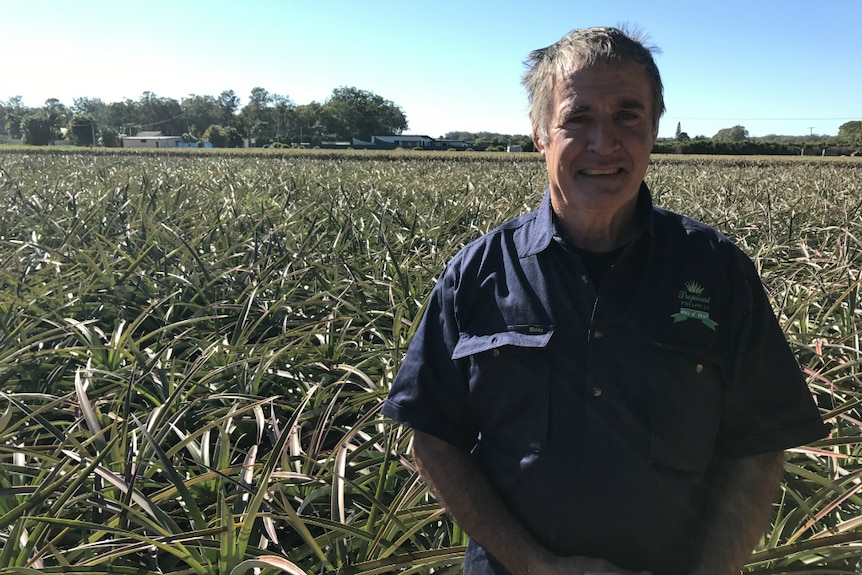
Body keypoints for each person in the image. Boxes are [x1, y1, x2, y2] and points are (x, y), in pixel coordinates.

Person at [382, 26, 827, 575]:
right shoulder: (477, 274)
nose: (603, 142)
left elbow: (759, 447)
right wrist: (537, 566)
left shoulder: (718, 271)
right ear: (540, 132)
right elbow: (432, 438)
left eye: (627, 115)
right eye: (578, 116)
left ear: (654, 130)